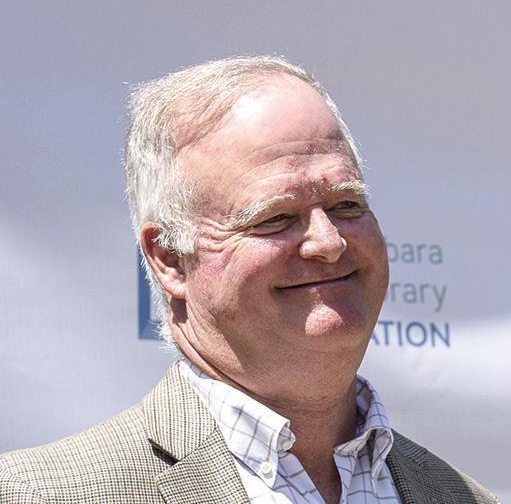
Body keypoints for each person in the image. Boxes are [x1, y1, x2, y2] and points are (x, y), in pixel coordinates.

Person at [0, 56, 499, 504]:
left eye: (347, 203)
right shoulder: (41, 495)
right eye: (275, 217)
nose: (328, 242)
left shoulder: (464, 498)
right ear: (171, 259)